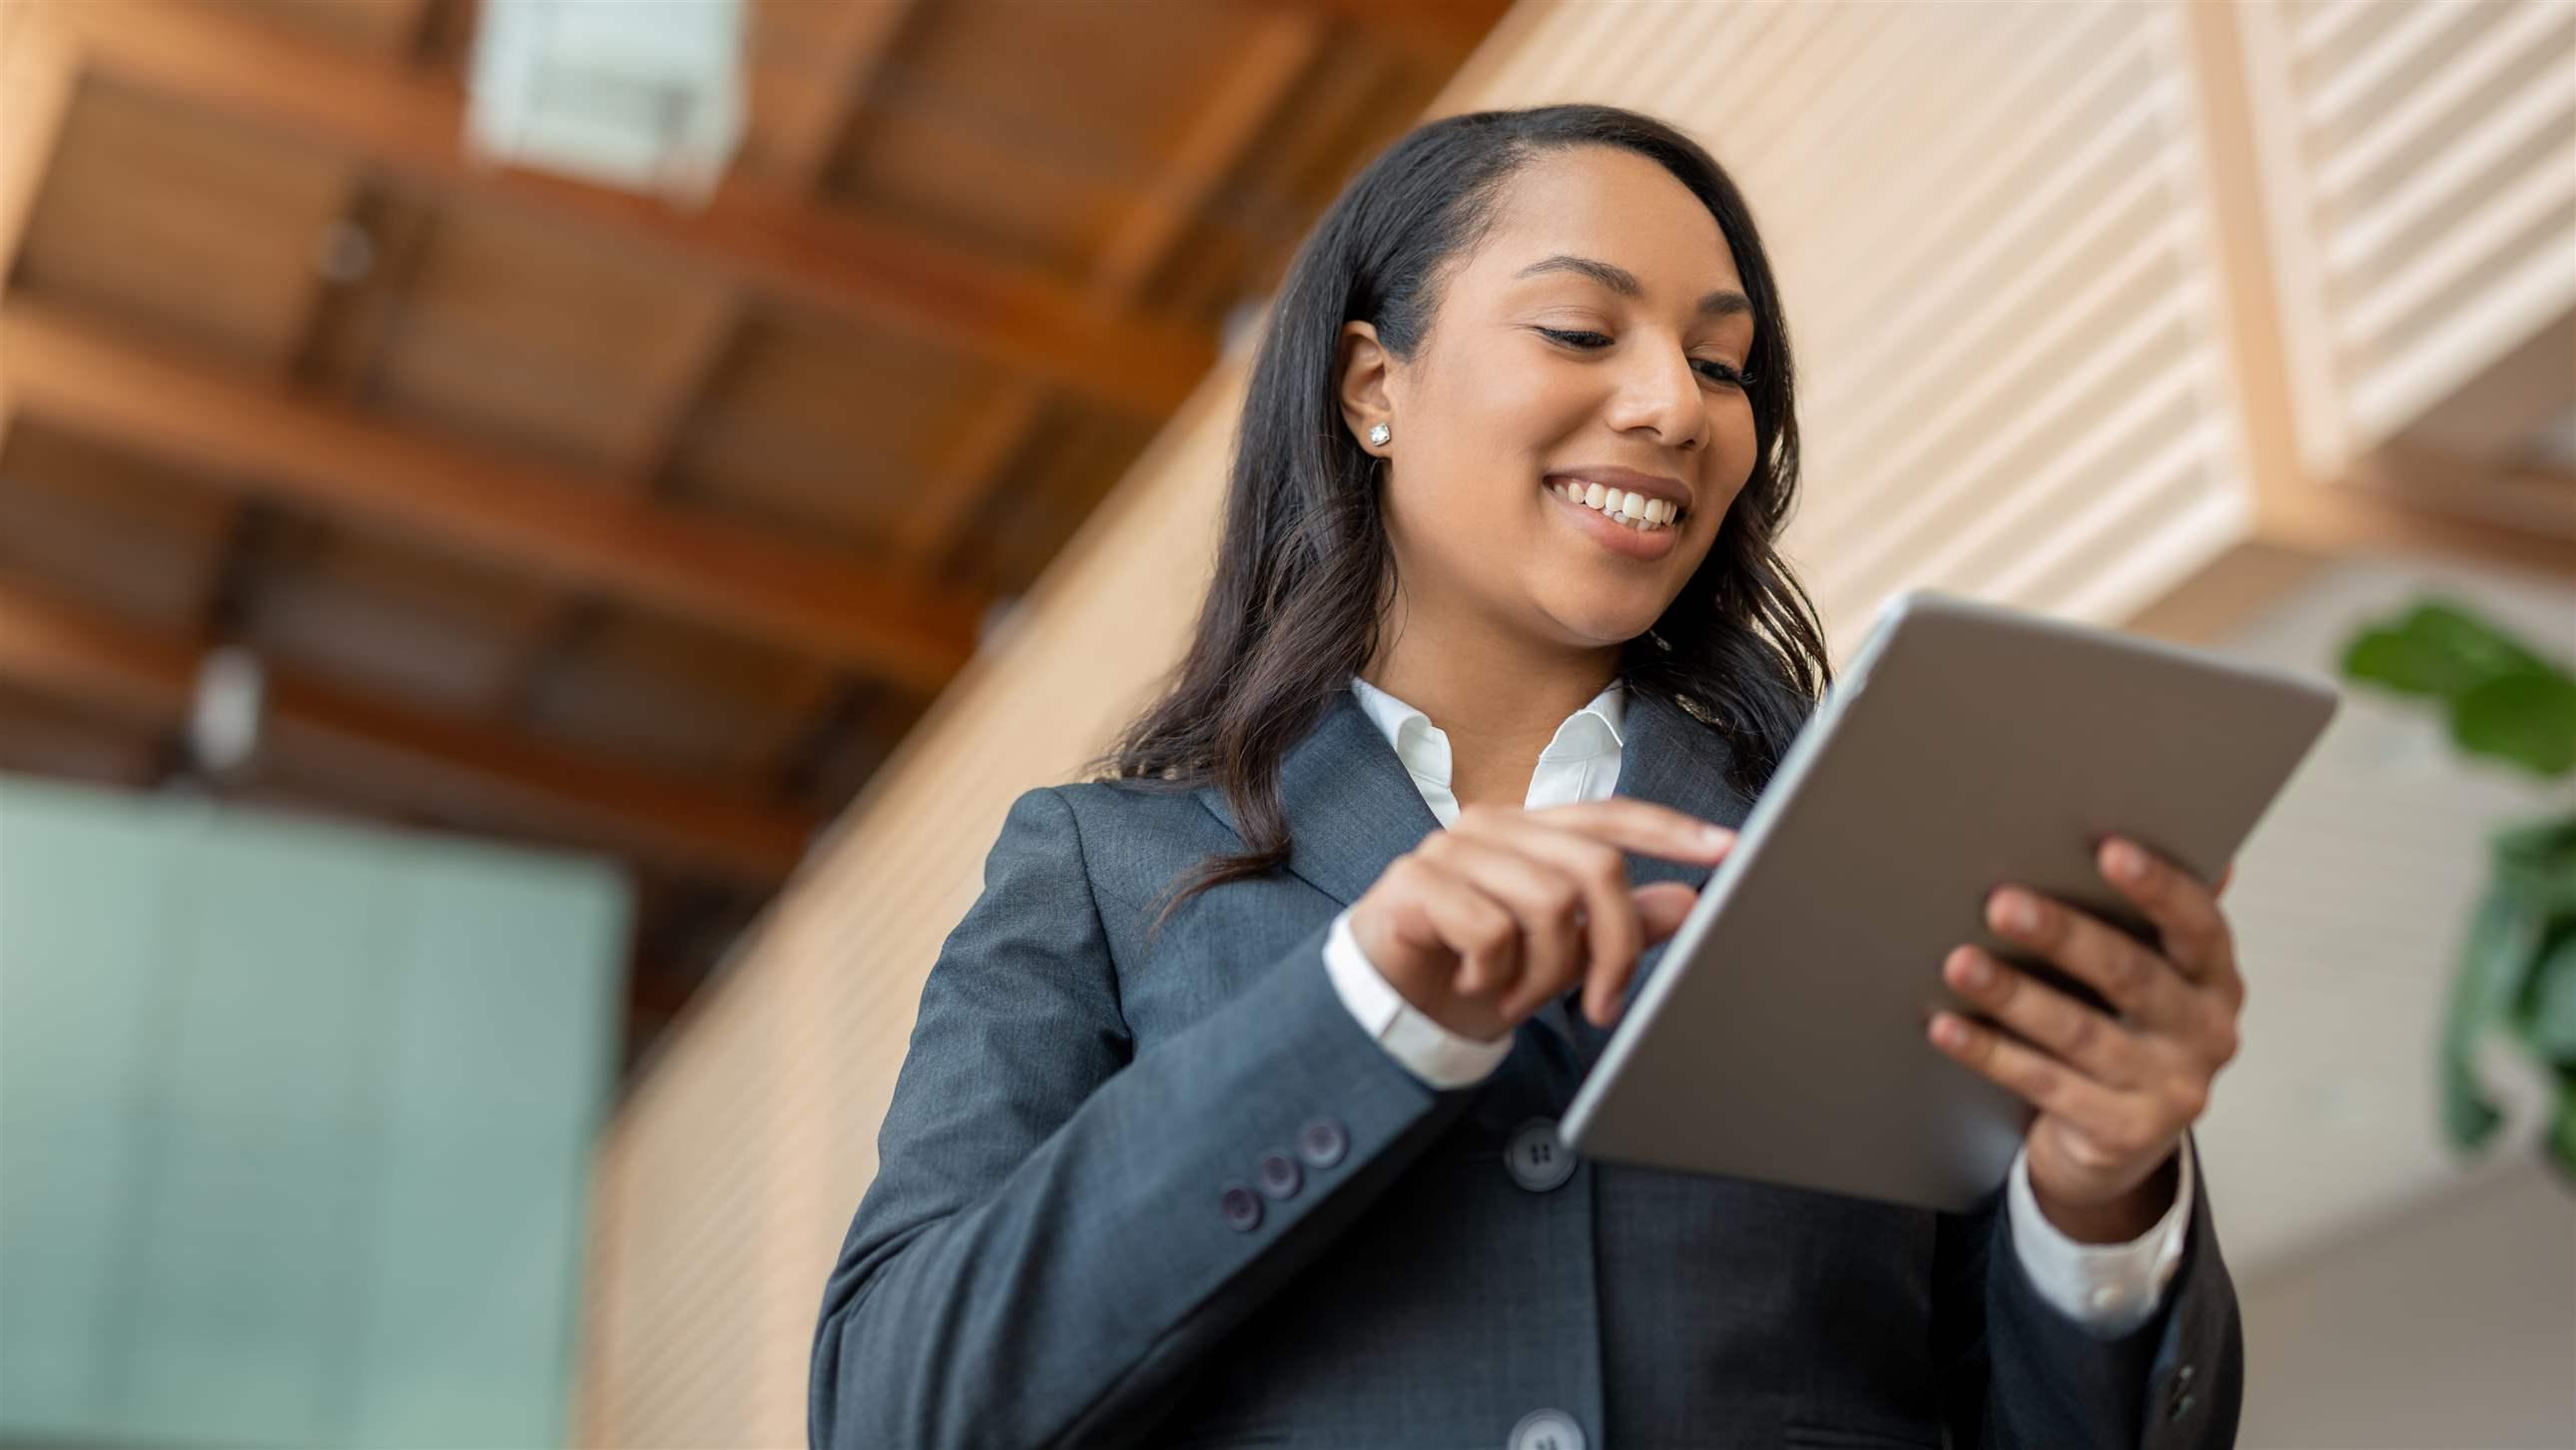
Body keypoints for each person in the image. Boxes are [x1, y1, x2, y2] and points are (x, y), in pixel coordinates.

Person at [809, 103, 2245, 1450]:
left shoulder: (1867, 852)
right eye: (1579, 328)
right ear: (1376, 385)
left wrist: (2100, 1197)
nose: (1676, 406)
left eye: (1724, 362)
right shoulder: (1101, 869)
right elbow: (893, 1406)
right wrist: (1365, 1009)